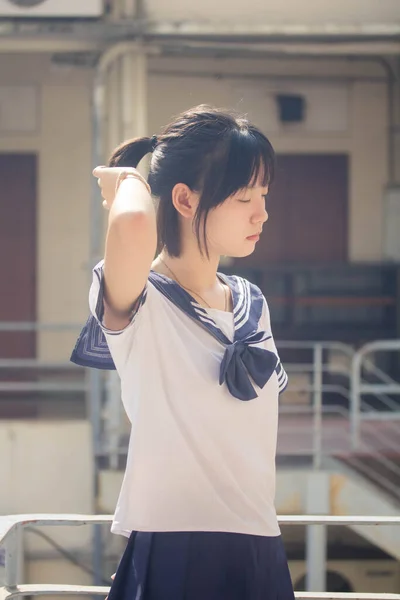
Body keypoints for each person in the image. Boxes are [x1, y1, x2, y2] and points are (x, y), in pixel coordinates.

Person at [71, 105, 294, 599]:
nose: (262, 213)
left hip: (259, 545)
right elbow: (131, 225)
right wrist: (128, 179)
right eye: (243, 197)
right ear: (185, 200)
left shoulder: (251, 303)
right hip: (173, 546)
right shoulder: (143, 299)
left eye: (264, 195)